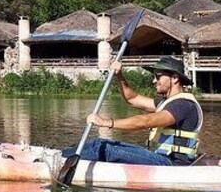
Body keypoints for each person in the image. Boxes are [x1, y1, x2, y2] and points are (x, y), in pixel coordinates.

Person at [63, 56, 204, 166]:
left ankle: (59, 161)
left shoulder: (183, 105)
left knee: (105, 148)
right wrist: (119, 75)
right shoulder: (165, 102)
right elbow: (132, 98)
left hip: (172, 164)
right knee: (97, 142)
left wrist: (107, 123)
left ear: (174, 78)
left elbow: (146, 121)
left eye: (158, 76)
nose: (154, 81)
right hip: (159, 157)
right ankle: (58, 156)